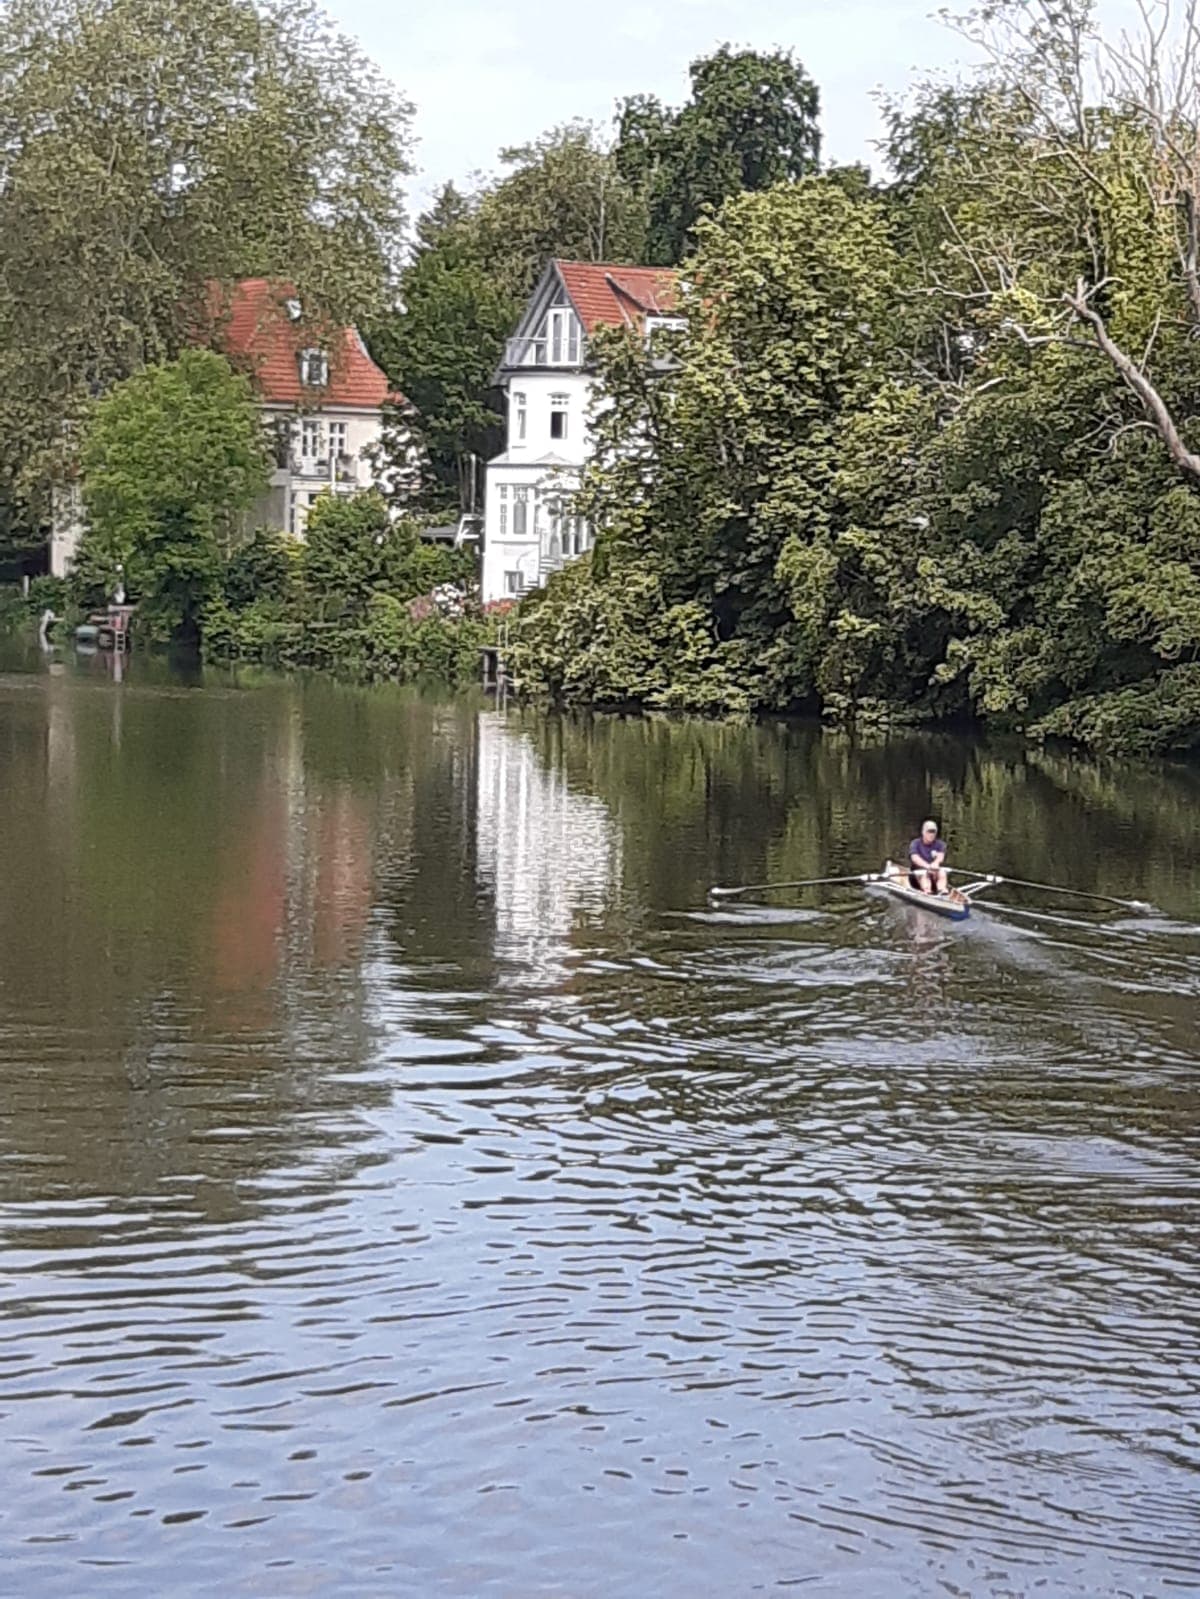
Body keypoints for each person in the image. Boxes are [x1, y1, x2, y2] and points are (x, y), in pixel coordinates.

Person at [909, 819, 949, 895]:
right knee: (924, 873)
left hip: (934, 871)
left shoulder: (941, 844)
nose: (931, 835)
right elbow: (915, 858)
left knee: (942, 872)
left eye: (933, 832)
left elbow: (940, 857)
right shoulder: (915, 843)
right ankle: (927, 891)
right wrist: (928, 867)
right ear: (923, 832)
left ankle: (942, 890)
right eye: (929, 832)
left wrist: (935, 863)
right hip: (918, 873)